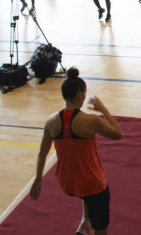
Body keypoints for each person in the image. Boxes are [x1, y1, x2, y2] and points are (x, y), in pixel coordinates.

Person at [29, 67, 123, 235]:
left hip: (68, 183)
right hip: (92, 184)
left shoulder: (51, 121)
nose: (85, 96)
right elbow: (118, 134)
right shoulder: (90, 121)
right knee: (99, 220)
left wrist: (37, 180)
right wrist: (103, 110)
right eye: (84, 93)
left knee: (83, 186)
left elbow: (42, 153)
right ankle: (90, 225)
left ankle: (85, 223)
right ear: (79, 94)